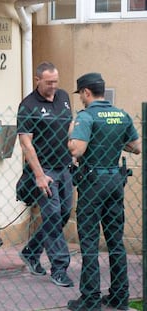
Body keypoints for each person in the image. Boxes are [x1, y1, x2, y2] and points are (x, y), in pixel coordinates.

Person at [67, 73, 141, 311]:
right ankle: (120, 297)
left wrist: (71, 135)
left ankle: (90, 300)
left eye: (80, 95)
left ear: (87, 92)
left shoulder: (86, 116)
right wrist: (112, 141)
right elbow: (136, 147)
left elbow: (77, 150)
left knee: (89, 242)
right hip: (115, 183)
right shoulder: (121, 114)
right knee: (115, 241)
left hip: (92, 184)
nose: (80, 99)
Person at [16, 61, 74, 287]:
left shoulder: (64, 97)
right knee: (51, 215)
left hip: (65, 166)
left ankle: (31, 252)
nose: (53, 86)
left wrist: (74, 151)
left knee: (63, 214)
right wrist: (39, 175)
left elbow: (69, 126)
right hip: (45, 170)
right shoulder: (28, 105)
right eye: (49, 82)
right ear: (37, 80)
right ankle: (59, 267)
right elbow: (25, 143)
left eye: (56, 82)